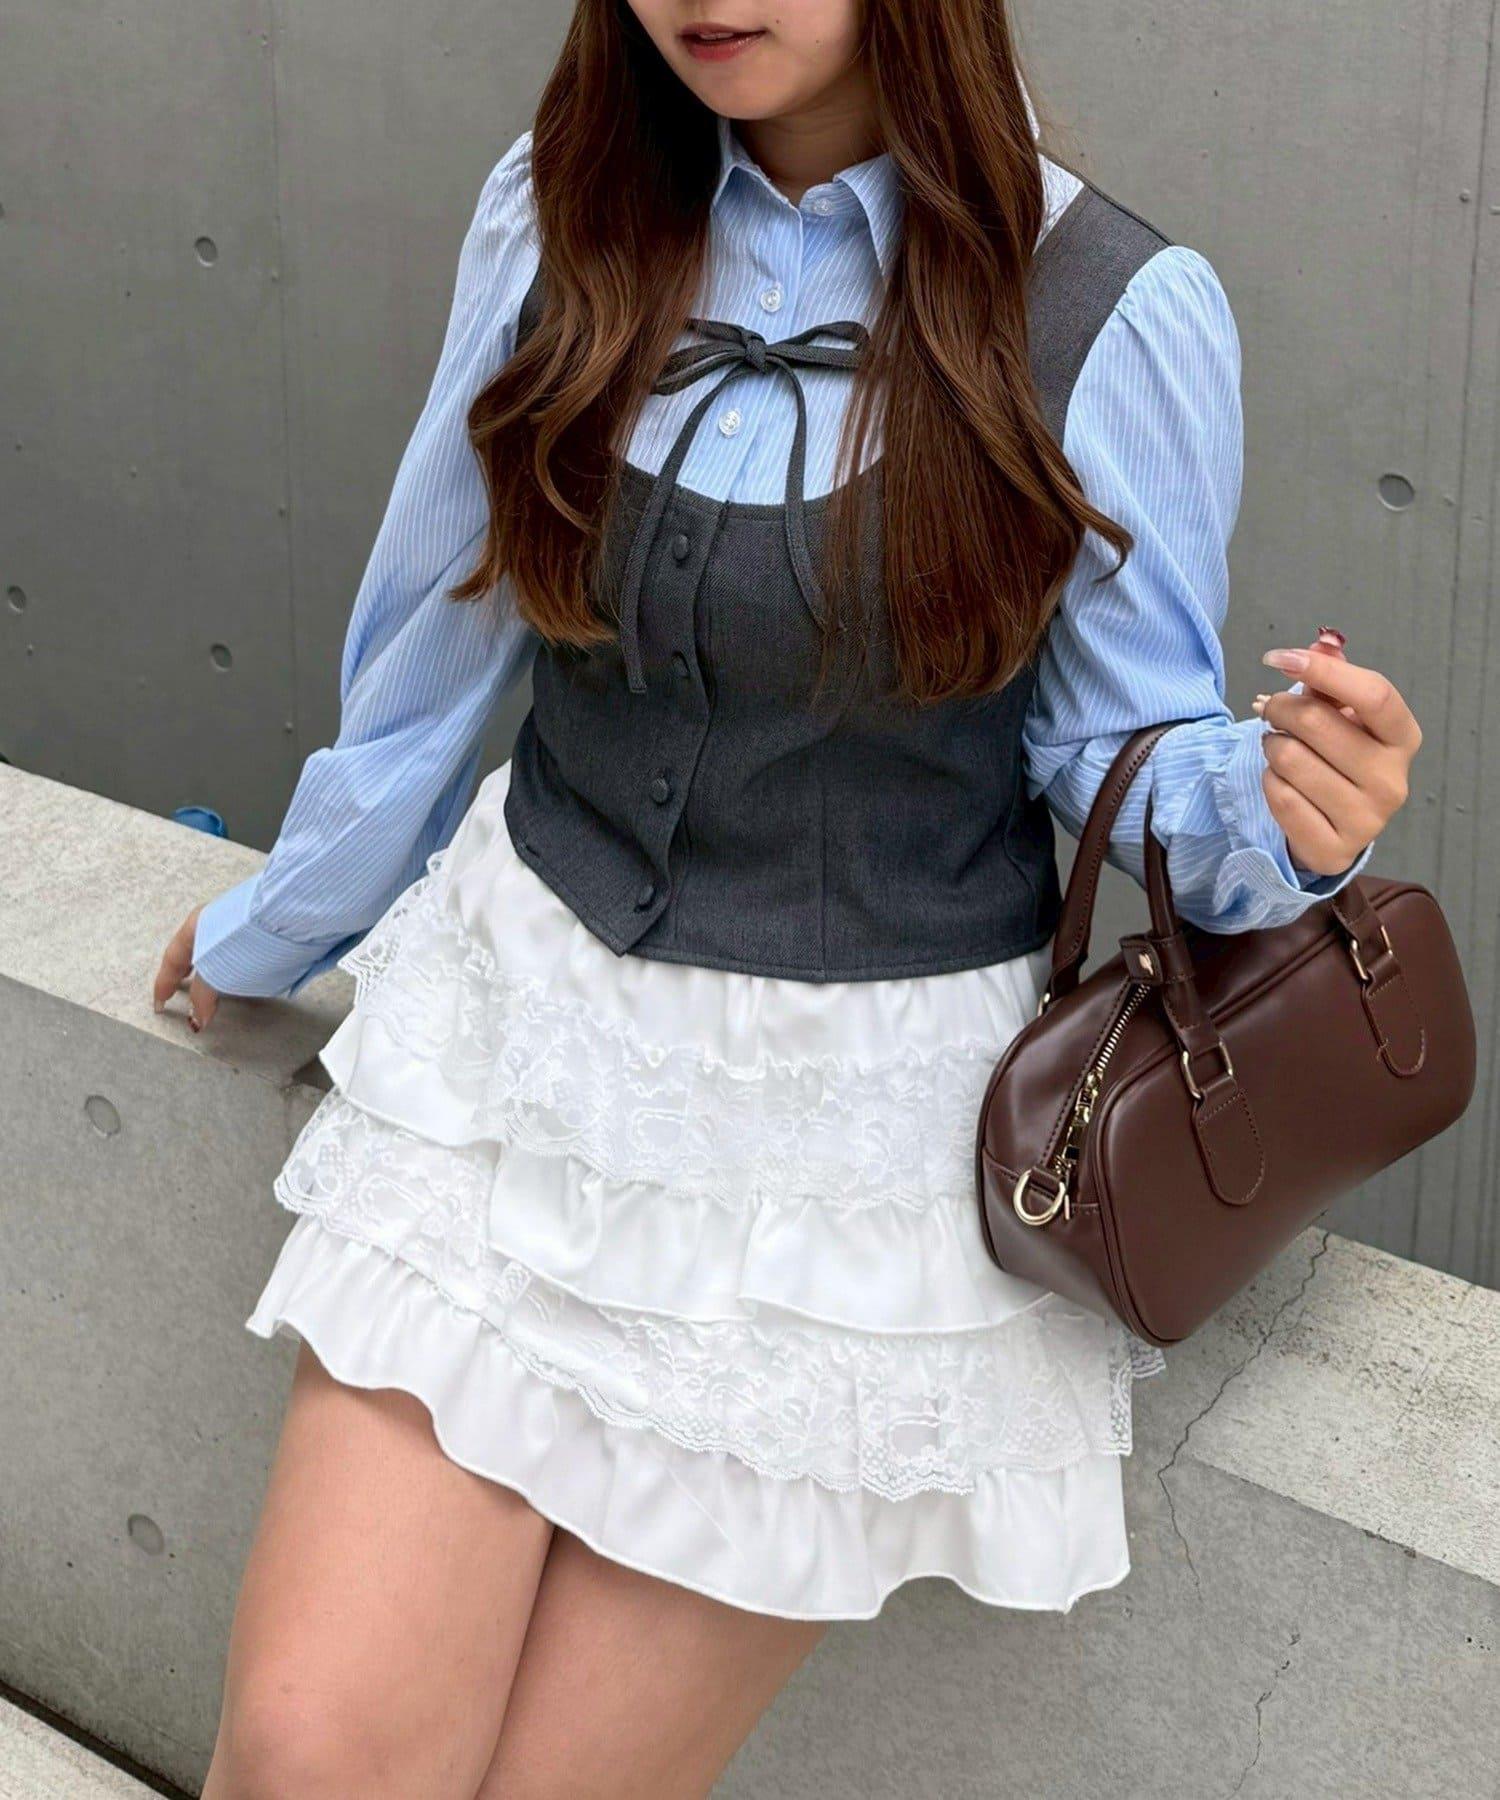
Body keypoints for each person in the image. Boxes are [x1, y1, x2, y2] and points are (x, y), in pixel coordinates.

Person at [154, 4, 1423, 1794]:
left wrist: (1286, 811)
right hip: (515, 1064)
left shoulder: (1107, 306)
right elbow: (443, 627)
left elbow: (1115, 747)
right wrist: (275, 928)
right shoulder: (562, 206)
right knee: (303, 1756)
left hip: (843, 1164)